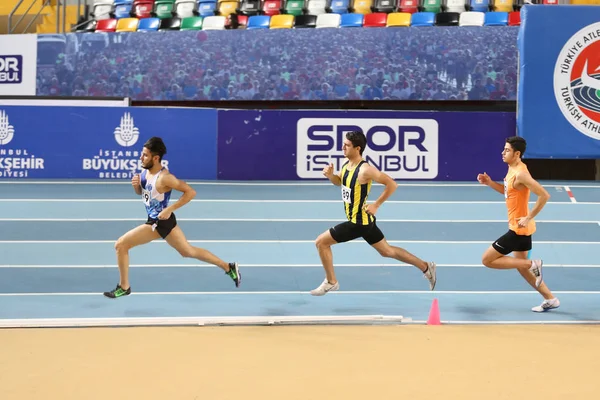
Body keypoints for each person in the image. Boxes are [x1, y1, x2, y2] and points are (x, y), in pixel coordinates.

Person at [103, 137, 240, 298]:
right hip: (159, 221)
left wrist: (170, 208)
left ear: (156, 158)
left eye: (145, 155)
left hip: (159, 223)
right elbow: (145, 195)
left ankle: (124, 287)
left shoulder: (165, 178)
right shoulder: (145, 173)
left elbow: (190, 192)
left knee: (121, 245)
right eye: (142, 154)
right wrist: (136, 187)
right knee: (187, 251)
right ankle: (228, 267)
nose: (141, 158)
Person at [310, 131, 437, 296]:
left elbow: (392, 184)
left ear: (358, 148)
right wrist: (330, 176)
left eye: (347, 145)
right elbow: (340, 182)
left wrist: (376, 205)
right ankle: (426, 267)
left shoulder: (366, 170)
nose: (342, 147)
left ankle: (331, 281)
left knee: (321, 243)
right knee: (387, 251)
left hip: (359, 222)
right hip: (365, 221)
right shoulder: (346, 165)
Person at [477, 136, 560, 312]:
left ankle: (533, 264)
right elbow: (508, 193)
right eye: (504, 149)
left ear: (517, 153)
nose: (503, 152)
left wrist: (528, 217)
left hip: (518, 229)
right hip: (521, 228)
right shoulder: (512, 169)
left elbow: (544, 195)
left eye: (506, 150)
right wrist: (490, 183)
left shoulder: (521, 173)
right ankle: (550, 299)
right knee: (521, 268)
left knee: (487, 260)